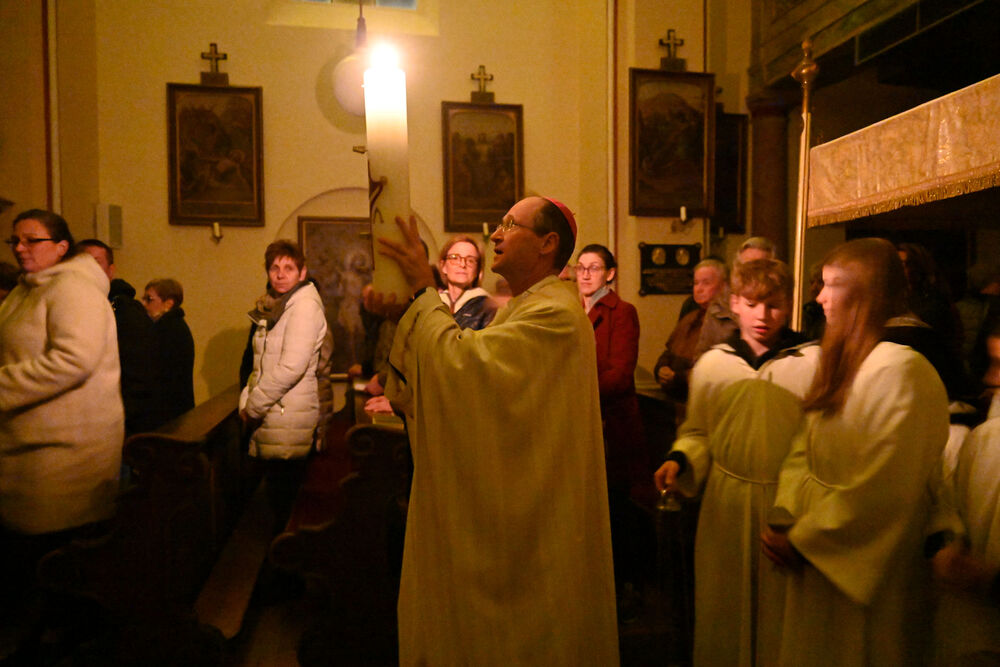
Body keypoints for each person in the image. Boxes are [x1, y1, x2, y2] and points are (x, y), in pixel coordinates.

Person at [370, 197, 619, 665]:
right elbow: (466, 379)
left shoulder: (556, 315)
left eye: (510, 225)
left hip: (536, 524)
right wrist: (403, 310)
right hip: (519, 508)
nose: (496, 235)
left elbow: (463, 370)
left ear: (547, 243)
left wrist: (424, 292)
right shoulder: (523, 309)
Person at [762, 238, 950, 665]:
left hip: (860, 559)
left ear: (865, 293)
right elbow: (803, 449)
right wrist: (786, 515)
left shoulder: (902, 371)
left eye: (833, 285)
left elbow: (886, 485)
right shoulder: (844, 363)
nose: (820, 297)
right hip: (817, 543)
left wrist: (808, 540)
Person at [654, 258, 818, 665]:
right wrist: (680, 460)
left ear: (789, 304)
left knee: (783, 616)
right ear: (735, 304)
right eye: (752, 303)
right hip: (726, 505)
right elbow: (699, 432)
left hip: (787, 504)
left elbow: (819, 440)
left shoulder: (812, 363)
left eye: (774, 305)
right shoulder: (714, 364)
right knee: (725, 609)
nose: (763, 316)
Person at [0, 209, 123, 655]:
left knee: (51, 566)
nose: (20, 248)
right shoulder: (27, 289)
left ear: (61, 246)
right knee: (35, 566)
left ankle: (56, 647)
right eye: (14, 240)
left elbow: (73, 359)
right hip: (29, 449)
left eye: (31, 240)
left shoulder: (73, 289)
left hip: (62, 455)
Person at [575, 243, 648, 621]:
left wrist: (574, 389)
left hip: (610, 425)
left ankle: (624, 591)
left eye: (594, 267)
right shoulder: (571, 311)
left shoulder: (622, 312)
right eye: (581, 267)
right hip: (580, 424)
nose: (586, 274)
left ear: (610, 273)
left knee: (616, 511)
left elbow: (619, 374)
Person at [239, 240, 328, 519]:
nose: (280, 274)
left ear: (302, 273)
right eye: (274, 268)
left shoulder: (304, 306)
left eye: (289, 268)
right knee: (273, 503)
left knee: (284, 505)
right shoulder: (278, 306)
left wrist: (253, 406)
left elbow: (292, 366)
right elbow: (258, 365)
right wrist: (246, 398)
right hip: (276, 412)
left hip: (287, 415)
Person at [77, 239, 158, 435]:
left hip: (114, 422)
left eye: (95, 262)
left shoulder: (125, 312)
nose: (87, 269)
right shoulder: (75, 304)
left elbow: (138, 375)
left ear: (110, 270)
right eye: (81, 262)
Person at [653, 258, 727, 402]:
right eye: (696, 283)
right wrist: (661, 368)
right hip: (675, 398)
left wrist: (678, 377)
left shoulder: (726, 323)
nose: (699, 289)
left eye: (706, 283)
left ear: (723, 286)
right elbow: (669, 351)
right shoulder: (690, 316)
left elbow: (717, 369)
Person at [143, 278, 195, 427]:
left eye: (149, 299)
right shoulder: (175, 325)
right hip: (176, 408)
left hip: (167, 412)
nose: (144, 304)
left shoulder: (167, 329)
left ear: (168, 303)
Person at [437, 234, 498, 330]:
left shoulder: (488, 307)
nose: (462, 264)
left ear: (477, 270)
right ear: (443, 266)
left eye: (470, 260)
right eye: (455, 258)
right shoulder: (434, 304)